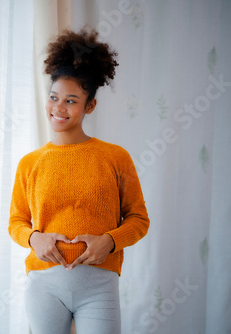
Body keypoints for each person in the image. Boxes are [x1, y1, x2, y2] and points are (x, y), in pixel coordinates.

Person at [8, 27, 150, 334]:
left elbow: (139, 219)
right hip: (43, 286)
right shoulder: (30, 163)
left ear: (90, 106)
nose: (59, 108)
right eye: (53, 97)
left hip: (99, 286)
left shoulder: (115, 157)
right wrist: (34, 238)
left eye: (71, 101)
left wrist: (110, 241)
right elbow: (16, 221)